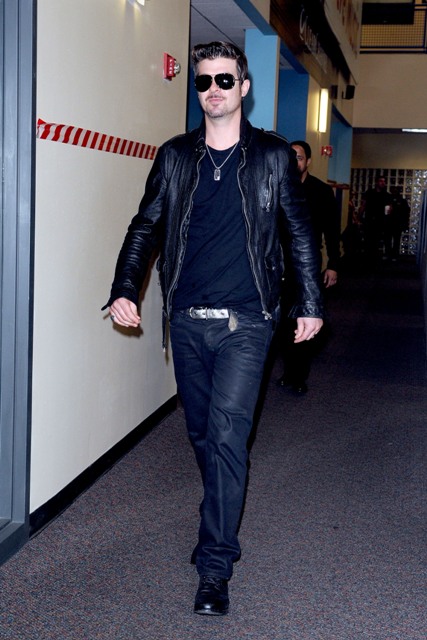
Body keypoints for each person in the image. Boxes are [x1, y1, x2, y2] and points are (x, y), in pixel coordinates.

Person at [103, 42, 323, 616]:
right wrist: (125, 287)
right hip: (187, 321)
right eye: (204, 81)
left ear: (244, 86)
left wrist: (309, 300)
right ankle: (217, 512)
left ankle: (215, 565)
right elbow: (145, 225)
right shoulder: (175, 156)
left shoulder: (271, 156)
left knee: (227, 437)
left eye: (225, 79)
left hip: (248, 322)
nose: (214, 90)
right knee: (203, 435)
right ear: (196, 89)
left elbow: (299, 230)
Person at [277, 140, 340, 394]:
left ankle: (299, 376)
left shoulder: (321, 192)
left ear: (309, 161)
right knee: (284, 325)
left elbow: (332, 231)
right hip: (281, 269)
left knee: (305, 321)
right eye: (291, 157)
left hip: (308, 269)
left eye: (299, 157)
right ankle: (288, 371)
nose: (295, 162)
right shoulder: (279, 189)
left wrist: (333, 264)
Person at [359, 175, 393, 268]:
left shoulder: (387, 195)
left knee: (376, 242)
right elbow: (363, 205)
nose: (383, 183)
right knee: (368, 241)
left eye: (384, 181)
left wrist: (388, 214)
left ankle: (374, 262)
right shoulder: (369, 193)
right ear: (376, 182)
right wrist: (359, 218)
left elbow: (389, 208)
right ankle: (367, 261)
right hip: (369, 221)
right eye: (381, 181)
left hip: (380, 222)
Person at [384, 186, 410, 261]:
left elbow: (406, 213)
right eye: (393, 190)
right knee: (388, 240)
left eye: (396, 190)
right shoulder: (388, 200)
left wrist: (405, 223)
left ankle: (394, 255)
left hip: (397, 224)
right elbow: (385, 212)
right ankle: (389, 254)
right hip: (389, 223)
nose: (394, 192)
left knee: (396, 241)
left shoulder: (402, 201)